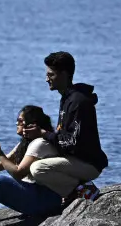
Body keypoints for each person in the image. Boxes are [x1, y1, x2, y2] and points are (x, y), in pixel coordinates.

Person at [24, 51, 108, 202]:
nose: (46, 79)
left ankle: (81, 190)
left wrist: (44, 133)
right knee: (37, 149)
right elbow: (63, 136)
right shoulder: (66, 98)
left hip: (88, 163)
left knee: (38, 168)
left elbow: (71, 142)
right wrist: (42, 135)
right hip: (73, 157)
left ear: (64, 74)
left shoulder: (78, 102)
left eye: (51, 75)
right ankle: (46, 196)